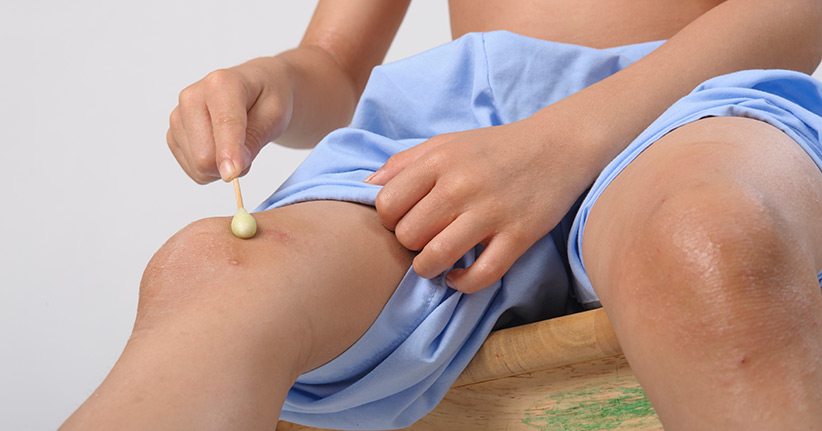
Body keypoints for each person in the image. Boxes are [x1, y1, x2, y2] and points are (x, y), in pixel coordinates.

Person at [61, 0, 822, 430]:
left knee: (708, 238)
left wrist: (557, 145)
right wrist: (275, 84)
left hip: (690, 100)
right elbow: (334, 67)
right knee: (213, 276)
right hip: (462, 132)